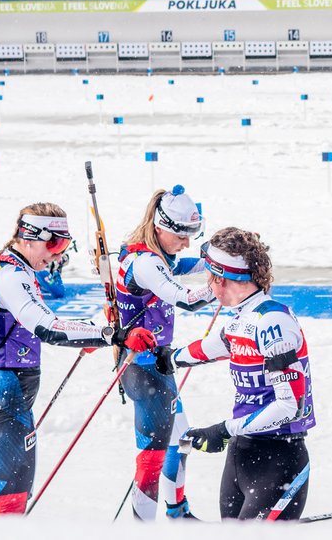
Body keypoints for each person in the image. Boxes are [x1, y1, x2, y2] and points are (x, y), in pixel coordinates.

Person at [0, 202, 157, 515]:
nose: (58, 255)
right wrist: (112, 335)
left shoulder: (12, 269)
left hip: (8, 401)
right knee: (9, 504)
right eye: (54, 244)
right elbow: (49, 327)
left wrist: (87, 335)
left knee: (12, 501)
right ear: (28, 236)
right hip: (1, 403)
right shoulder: (11, 279)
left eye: (65, 246)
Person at [172, 227, 314, 521]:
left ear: (220, 278)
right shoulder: (243, 319)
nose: (208, 286)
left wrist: (223, 429)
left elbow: (290, 406)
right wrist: (168, 358)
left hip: (278, 458)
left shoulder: (273, 322)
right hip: (242, 454)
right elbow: (212, 346)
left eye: (209, 279)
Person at [116, 186, 216, 521]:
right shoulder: (145, 263)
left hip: (157, 365)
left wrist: (216, 260)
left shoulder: (155, 254)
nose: (186, 242)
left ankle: (177, 510)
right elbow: (185, 298)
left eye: (192, 235)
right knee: (152, 458)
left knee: (181, 440)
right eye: (181, 235)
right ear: (160, 227)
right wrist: (228, 279)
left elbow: (179, 264)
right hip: (143, 369)